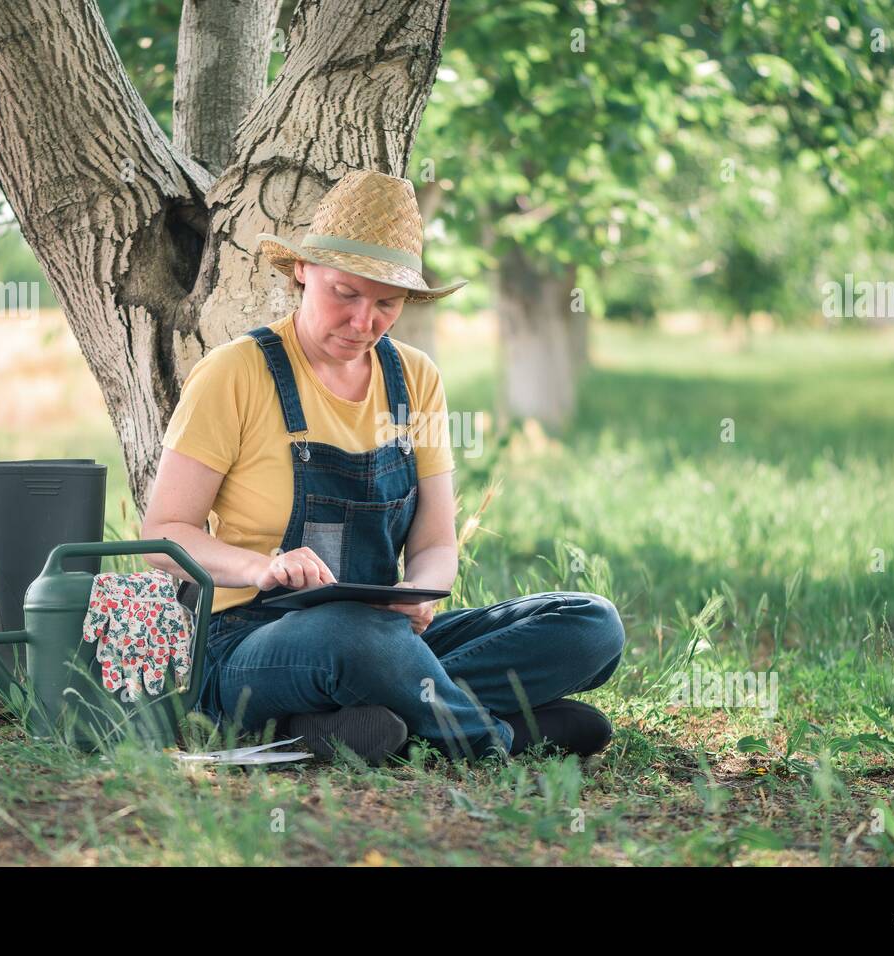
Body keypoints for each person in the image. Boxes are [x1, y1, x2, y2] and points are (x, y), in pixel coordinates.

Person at [141, 169, 624, 764]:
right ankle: (495, 738)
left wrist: (420, 594)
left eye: (386, 304)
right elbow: (162, 537)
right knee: (351, 637)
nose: (363, 323)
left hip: (390, 638)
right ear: (302, 270)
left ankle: (359, 723)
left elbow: (435, 542)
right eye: (344, 293)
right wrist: (262, 567)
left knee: (590, 624)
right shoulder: (236, 372)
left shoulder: (414, 378)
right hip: (251, 641)